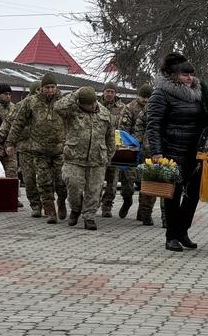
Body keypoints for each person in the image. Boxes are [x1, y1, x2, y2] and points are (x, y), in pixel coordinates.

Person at [146, 53, 208, 252]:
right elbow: (154, 125)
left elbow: (207, 120)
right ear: (173, 75)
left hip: (195, 152)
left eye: (191, 74)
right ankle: (171, 236)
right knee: (172, 196)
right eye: (185, 74)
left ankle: (183, 230)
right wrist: (156, 152)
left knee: (192, 195)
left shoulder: (199, 94)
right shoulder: (161, 94)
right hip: (171, 151)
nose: (189, 78)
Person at [6, 74, 68, 223]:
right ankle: (50, 211)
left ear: (56, 87)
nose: (50, 90)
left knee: (61, 181)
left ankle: (61, 201)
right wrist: (10, 143)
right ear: (41, 88)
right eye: (47, 87)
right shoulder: (31, 102)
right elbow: (18, 123)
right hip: (39, 150)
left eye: (53, 87)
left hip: (60, 150)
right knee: (43, 182)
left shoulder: (64, 101)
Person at [56, 86, 114, 230]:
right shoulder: (71, 110)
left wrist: (108, 156)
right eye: (87, 104)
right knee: (73, 186)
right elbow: (58, 107)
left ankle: (89, 216)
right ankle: (76, 208)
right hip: (74, 157)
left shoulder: (105, 113)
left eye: (92, 103)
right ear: (80, 103)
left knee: (94, 190)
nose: (91, 106)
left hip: (97, 159)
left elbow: (110, 137)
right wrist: (76, 94)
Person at [119, 84, 154, 222]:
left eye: (148, 98)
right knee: (128, 182)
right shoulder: (129, 108)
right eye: (143, 97)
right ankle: (127, 200)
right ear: (138, 96)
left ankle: (144, 212)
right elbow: (123, 130)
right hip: (132, 149)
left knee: (146, 183)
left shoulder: (154, 109)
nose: (145, 100)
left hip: (149, 151)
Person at [98, 84, 128, 218]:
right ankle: (93, 203)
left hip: (115, 149)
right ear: (103, 92)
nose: (109, 94)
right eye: (107, 91)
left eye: (112, 92)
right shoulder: (96, 106)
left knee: (112, 180)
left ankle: (107, 205)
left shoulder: (122, 108)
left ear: (115, 93)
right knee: (97, 179)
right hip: (99, 148)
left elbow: (125, 128)